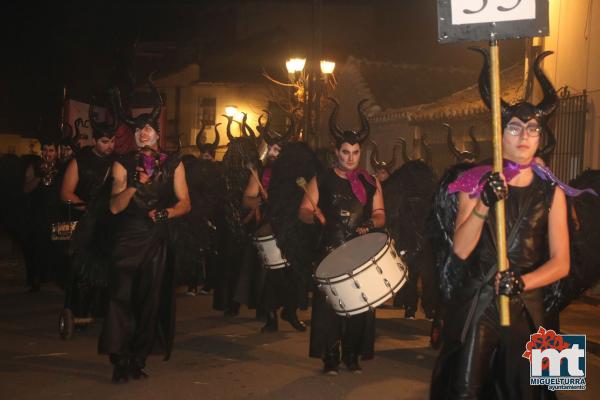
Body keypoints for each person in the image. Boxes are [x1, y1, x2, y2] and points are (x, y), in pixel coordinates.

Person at [430, 50, 573, 400]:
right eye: (514, 127)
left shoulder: (554, 190)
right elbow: (461, 249)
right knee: (464, 390)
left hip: (534, 304)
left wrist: (523, 281)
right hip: (479, 303)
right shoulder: (474, 181)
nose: (524, 135)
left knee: (539, 391)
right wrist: (484, 203)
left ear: (541, 136)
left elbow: (562, 263)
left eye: (533, 128)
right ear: (501, 134)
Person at [98, 81, 191, 383]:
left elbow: (185, 203)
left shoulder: (173, 163)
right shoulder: (122, 164)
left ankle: (137, 358)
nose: (143, 133)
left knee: (149, 302)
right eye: (138, 131)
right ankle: (119, 358)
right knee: (120, 299)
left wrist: (166, 213)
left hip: (155, 238)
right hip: (127, 238)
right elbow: (114, 207)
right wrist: (135, 186)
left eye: (148, 128)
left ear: (158, 132)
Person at [298, 98, 385, 375]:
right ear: (337, 151)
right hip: (329, 250)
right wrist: (312, 215)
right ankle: (330, 357)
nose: (350, 157)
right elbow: (303, 211)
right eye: (345, 152)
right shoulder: (321, 179)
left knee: (360, 307)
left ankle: (351, 355)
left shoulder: (371, 182)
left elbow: (381, 215)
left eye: (355, 152)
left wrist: (370, 223)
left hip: (360, 251)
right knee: (330, 308)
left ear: (361, 152)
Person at [242, 111, 306, 333]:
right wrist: (260, 200)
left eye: (278, 150)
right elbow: (246, 200)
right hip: (270, 227)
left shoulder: (295, 175)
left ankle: (290, 311)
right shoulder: (260, 174)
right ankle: (271, 316)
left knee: (295, 275)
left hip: (292, 229)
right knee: (273, 276)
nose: (273, 153)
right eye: (271, 149)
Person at [60, 99, 117, 324]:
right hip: (85, 224)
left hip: (109, 225)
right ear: (95, 140)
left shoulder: (117, 163)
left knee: (108, 269)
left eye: (112, 141)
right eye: (105, 141)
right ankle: (79, 312)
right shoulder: (79, 161)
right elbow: (66, 193)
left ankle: (104, 312)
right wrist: (89, 210)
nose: (109, 145)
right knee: (82, 271)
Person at [23, 137, 62, 291]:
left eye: (51, 150)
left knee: (57, 248)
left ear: (56, 152)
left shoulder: (62, 167)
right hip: (38, 214)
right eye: (45, 150)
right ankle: (36, 280)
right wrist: (39, 175)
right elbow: (26, 189)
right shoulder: (34, 166)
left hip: (56, 213)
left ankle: (54, 278)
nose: (47, 153)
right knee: (37, 247)